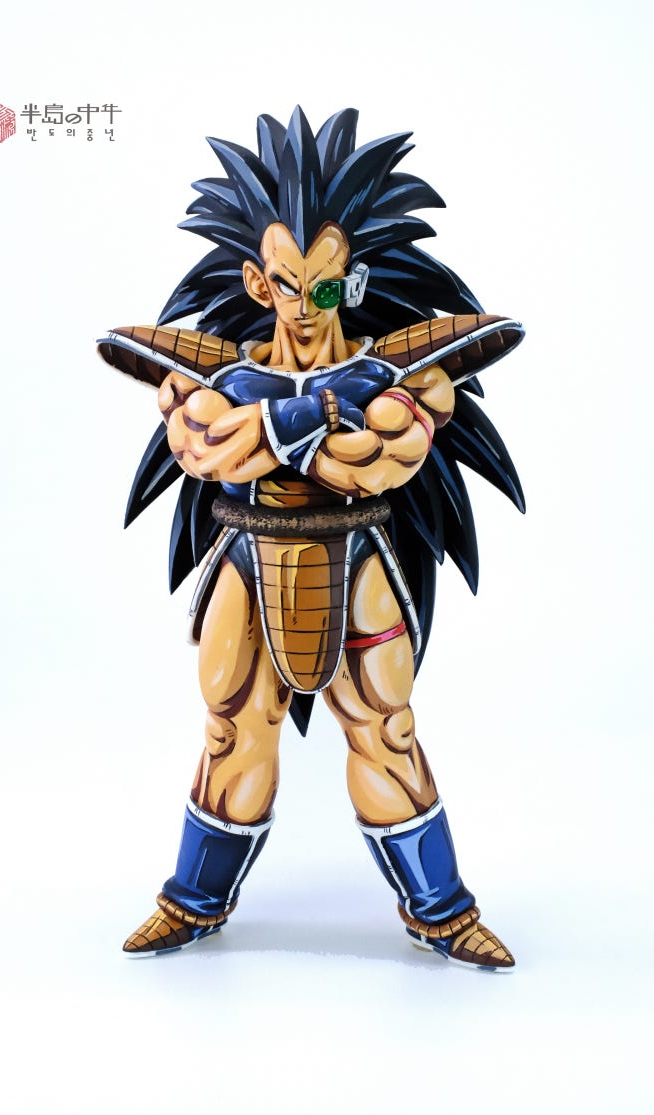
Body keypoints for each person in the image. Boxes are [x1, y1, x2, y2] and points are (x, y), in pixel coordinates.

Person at [97, 107, 524, 969]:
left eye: (324, 287)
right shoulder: (216, 375)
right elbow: (206, 448)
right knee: (230, 727)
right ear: (258, 285)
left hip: (355, 555)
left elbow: (377, 460)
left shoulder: (400, 373)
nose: (305, 307)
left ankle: (440, 910)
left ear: (350, 281)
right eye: (287, 286)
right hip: (246, 556)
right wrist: (317, 413)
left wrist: (277, 425)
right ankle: (194, 900)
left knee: (385, 727)